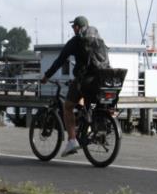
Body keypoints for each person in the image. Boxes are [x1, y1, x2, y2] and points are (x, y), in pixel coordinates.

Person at [39, 16, 109, 156]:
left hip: (84, 80)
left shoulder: (75, 41)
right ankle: (90, 126)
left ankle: (72, 141)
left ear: (77, 27)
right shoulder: (99, 39)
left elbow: (60, 61)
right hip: (101, 79)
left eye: (73, 26)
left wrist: (46, 76)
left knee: (67, 106)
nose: (72, 29)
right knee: (88, 103)